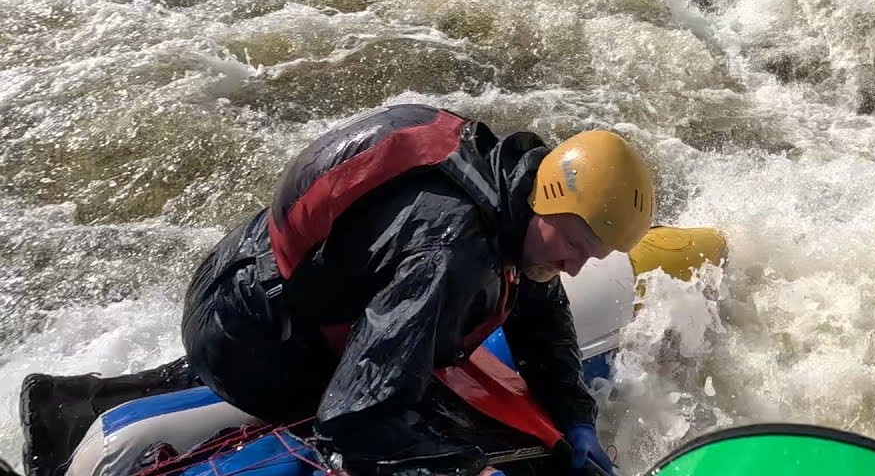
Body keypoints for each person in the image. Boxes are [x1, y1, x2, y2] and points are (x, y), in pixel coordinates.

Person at [179, 103, 656, 476]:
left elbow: (537, 306)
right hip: (245, 340)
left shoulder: (515, 185)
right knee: (433, 438)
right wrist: (469, 469)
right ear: (546, 200)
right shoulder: (449, 254)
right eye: (572, 245)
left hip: (248, 275)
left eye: (588, 256)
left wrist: (574, 413)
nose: (573, 268)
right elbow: (355, 420)